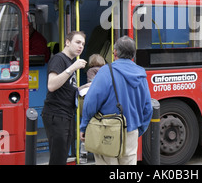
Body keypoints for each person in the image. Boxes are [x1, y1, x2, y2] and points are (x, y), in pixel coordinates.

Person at [80, 36, 153, 165]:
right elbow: (148, 108)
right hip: (131, 131)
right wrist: (138, 130)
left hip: (106, 131)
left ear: (115, 52)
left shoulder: (105, 72)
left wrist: (84, 126)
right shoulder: (141, 74)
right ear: (133, 54)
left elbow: (91, 103)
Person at [41, 31, 87, 165]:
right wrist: (72, 68)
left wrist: (83, 87)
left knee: (62, 156)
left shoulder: (69, 61)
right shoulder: (59, 59)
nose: (81, 46)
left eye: (83, 44)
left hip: (67, 114)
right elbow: (52, 85)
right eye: (77, 42)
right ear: (67, 42)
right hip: (57, 114)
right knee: (58, 158)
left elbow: (66, 87)